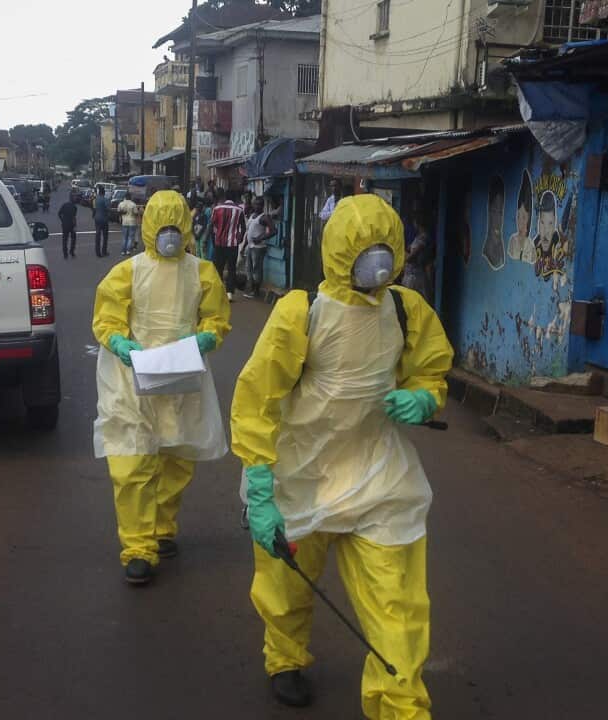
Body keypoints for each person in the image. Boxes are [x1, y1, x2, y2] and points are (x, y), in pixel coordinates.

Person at [231, 194, 453, 717]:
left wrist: (424, 397)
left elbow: (429, 367)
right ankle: (284, 657)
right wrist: (259, 484)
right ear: (338, 251)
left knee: (397, 605)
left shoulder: (405, 309)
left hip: (378, 474)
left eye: (383, 251)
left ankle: (401, 705)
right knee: (286, 586)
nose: (375, 263)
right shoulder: (302, 312)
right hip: (301, 473)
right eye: (363, 251)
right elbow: (258, 397)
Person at [92, 190, 231, 586]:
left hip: (181, 376)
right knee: (132, 459)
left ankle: (161, 527)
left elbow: (216, 316)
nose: (169, 233)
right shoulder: (127, 272)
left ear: (185, 226)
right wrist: (119, 342)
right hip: (131, 378)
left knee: (176, 456)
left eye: (175, 225)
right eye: (162, 225)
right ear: (149, 225)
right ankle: (138, 547)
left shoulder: (202, 272)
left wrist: (208, 336)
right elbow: (107, 318)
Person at [210, 191, 246, 301]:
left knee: (218, 268)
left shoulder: (217, 209)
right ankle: (229, 293)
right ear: (235, 198)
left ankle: (218, 291)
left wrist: (214, 241)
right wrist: (239, 239)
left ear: (224, 197)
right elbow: (243, 227)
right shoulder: (239, 210)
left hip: (219, 243)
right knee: (231, 268)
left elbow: (212, 226)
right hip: (232, 244)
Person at [243, 197, 276, 298]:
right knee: (248, 269)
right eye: (255, 204)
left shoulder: (264, 217)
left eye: (259, 204)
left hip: (258, 247)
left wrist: (260, 238)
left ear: (262, 206)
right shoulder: (252, 216)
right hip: (250, 246)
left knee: (256, 269)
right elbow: (248, 232)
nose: (257, 206)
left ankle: (256, 291)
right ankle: (251, 289)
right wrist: (244, 245)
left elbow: (274, 231)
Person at [401, 216, 433, 301]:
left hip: (415, 274)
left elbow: (411, 257)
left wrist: (404, 255)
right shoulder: (418, 237)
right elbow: (409, 249)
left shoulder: (424, 237)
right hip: (410, 273)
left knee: (415, 298)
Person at [93, 186, 111, 257]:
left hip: (97, 218)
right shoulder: (105, 199)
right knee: (105, 236)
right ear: (104, 193)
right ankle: (104, 251)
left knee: (98, 235)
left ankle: (98, 252)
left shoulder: (96, 199)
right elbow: (108, 208)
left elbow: (94, 208)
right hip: (104, 219)